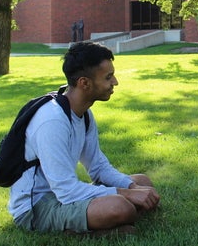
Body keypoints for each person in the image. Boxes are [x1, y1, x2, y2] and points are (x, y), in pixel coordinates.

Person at [9, 42, 160, 236]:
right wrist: (127, 194)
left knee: (143, 181)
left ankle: (99, 222)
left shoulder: (84, 115)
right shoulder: (52, 121)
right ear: (84, 83)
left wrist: (132, 187)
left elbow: (98, 168)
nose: (115, 82)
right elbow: (67, 191)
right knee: (121, 207)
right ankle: (83, 231)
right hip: (36, 207)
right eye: (108, 77)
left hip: (63, 195)